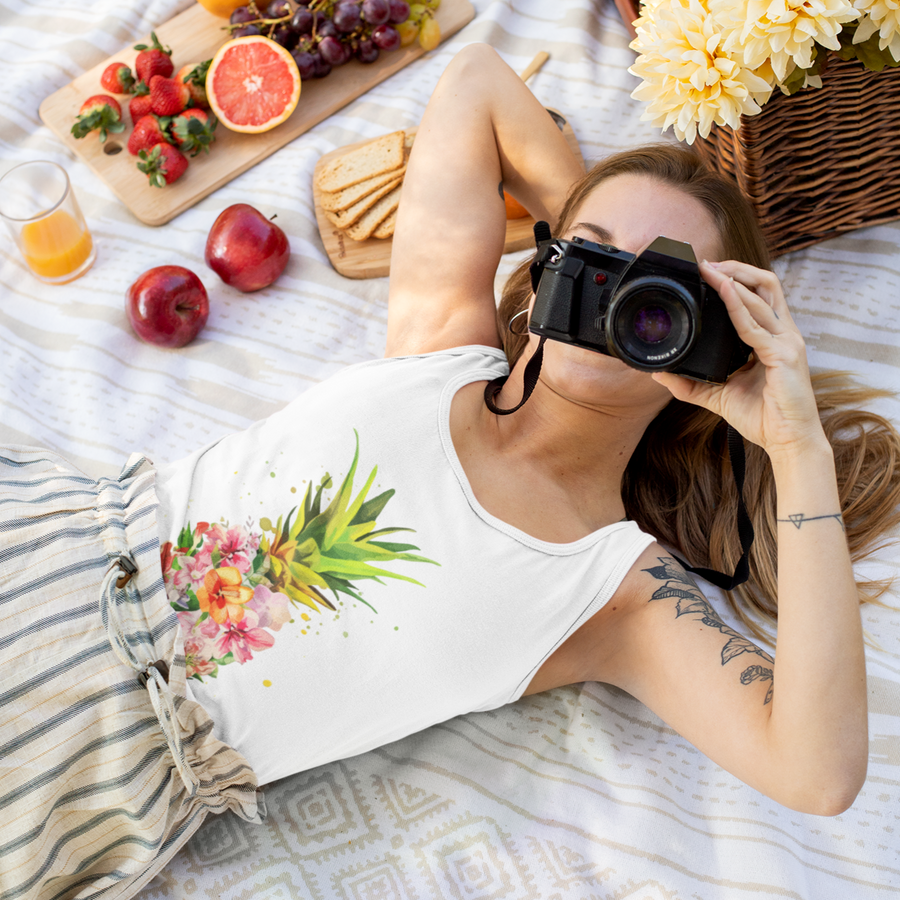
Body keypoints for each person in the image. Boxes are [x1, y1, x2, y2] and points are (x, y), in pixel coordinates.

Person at [3, 43, 899, 900]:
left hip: (94, 762)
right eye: (588, 256)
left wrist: (793, 438)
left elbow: (817, 772)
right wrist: (608, 260)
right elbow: (475, 82)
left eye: (657, 294)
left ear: (715, 342)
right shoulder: (442, 346)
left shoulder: (618, 592)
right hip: (54, 542)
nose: (615, 293)